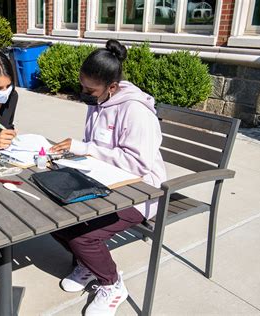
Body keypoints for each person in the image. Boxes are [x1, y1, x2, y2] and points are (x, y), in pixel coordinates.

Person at [49, 39, 167, 316]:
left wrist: (84, 149)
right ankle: (88, 265)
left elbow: (138, 165)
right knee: (52, 218)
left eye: (90, 89)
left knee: (82, 237)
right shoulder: (100, 101)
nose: (84, 93)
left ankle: (112, 284)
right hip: (104, 185)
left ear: (112, 87)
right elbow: (97, 148)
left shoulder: (136, 111)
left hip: (140, 193)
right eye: (82, 86)